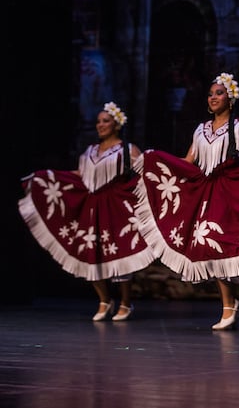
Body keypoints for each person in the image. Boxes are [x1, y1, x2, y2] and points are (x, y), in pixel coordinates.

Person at [134, 72, 239, 330]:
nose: (214, 97)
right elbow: (187, 162)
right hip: (206, 192)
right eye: (210, 93)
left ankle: (230, 305)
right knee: (209, 245)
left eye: (219, 93)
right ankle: (229, 305)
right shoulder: (200, 130)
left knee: (222, 245)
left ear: (230, 99)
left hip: (230, 192)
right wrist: (157, 162)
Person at [19, 102, 156, 321]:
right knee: (90, 253)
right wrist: (47, 178)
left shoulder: (127, 150)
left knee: (119, 252)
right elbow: (81, 175)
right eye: (98, 121)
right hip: (92, 208)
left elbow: (144, 174)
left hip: (116, 207)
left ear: (117, 124)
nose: (100, 125)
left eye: (106, 121)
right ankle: (104, 300)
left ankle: (126, 303)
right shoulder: (90, 151)